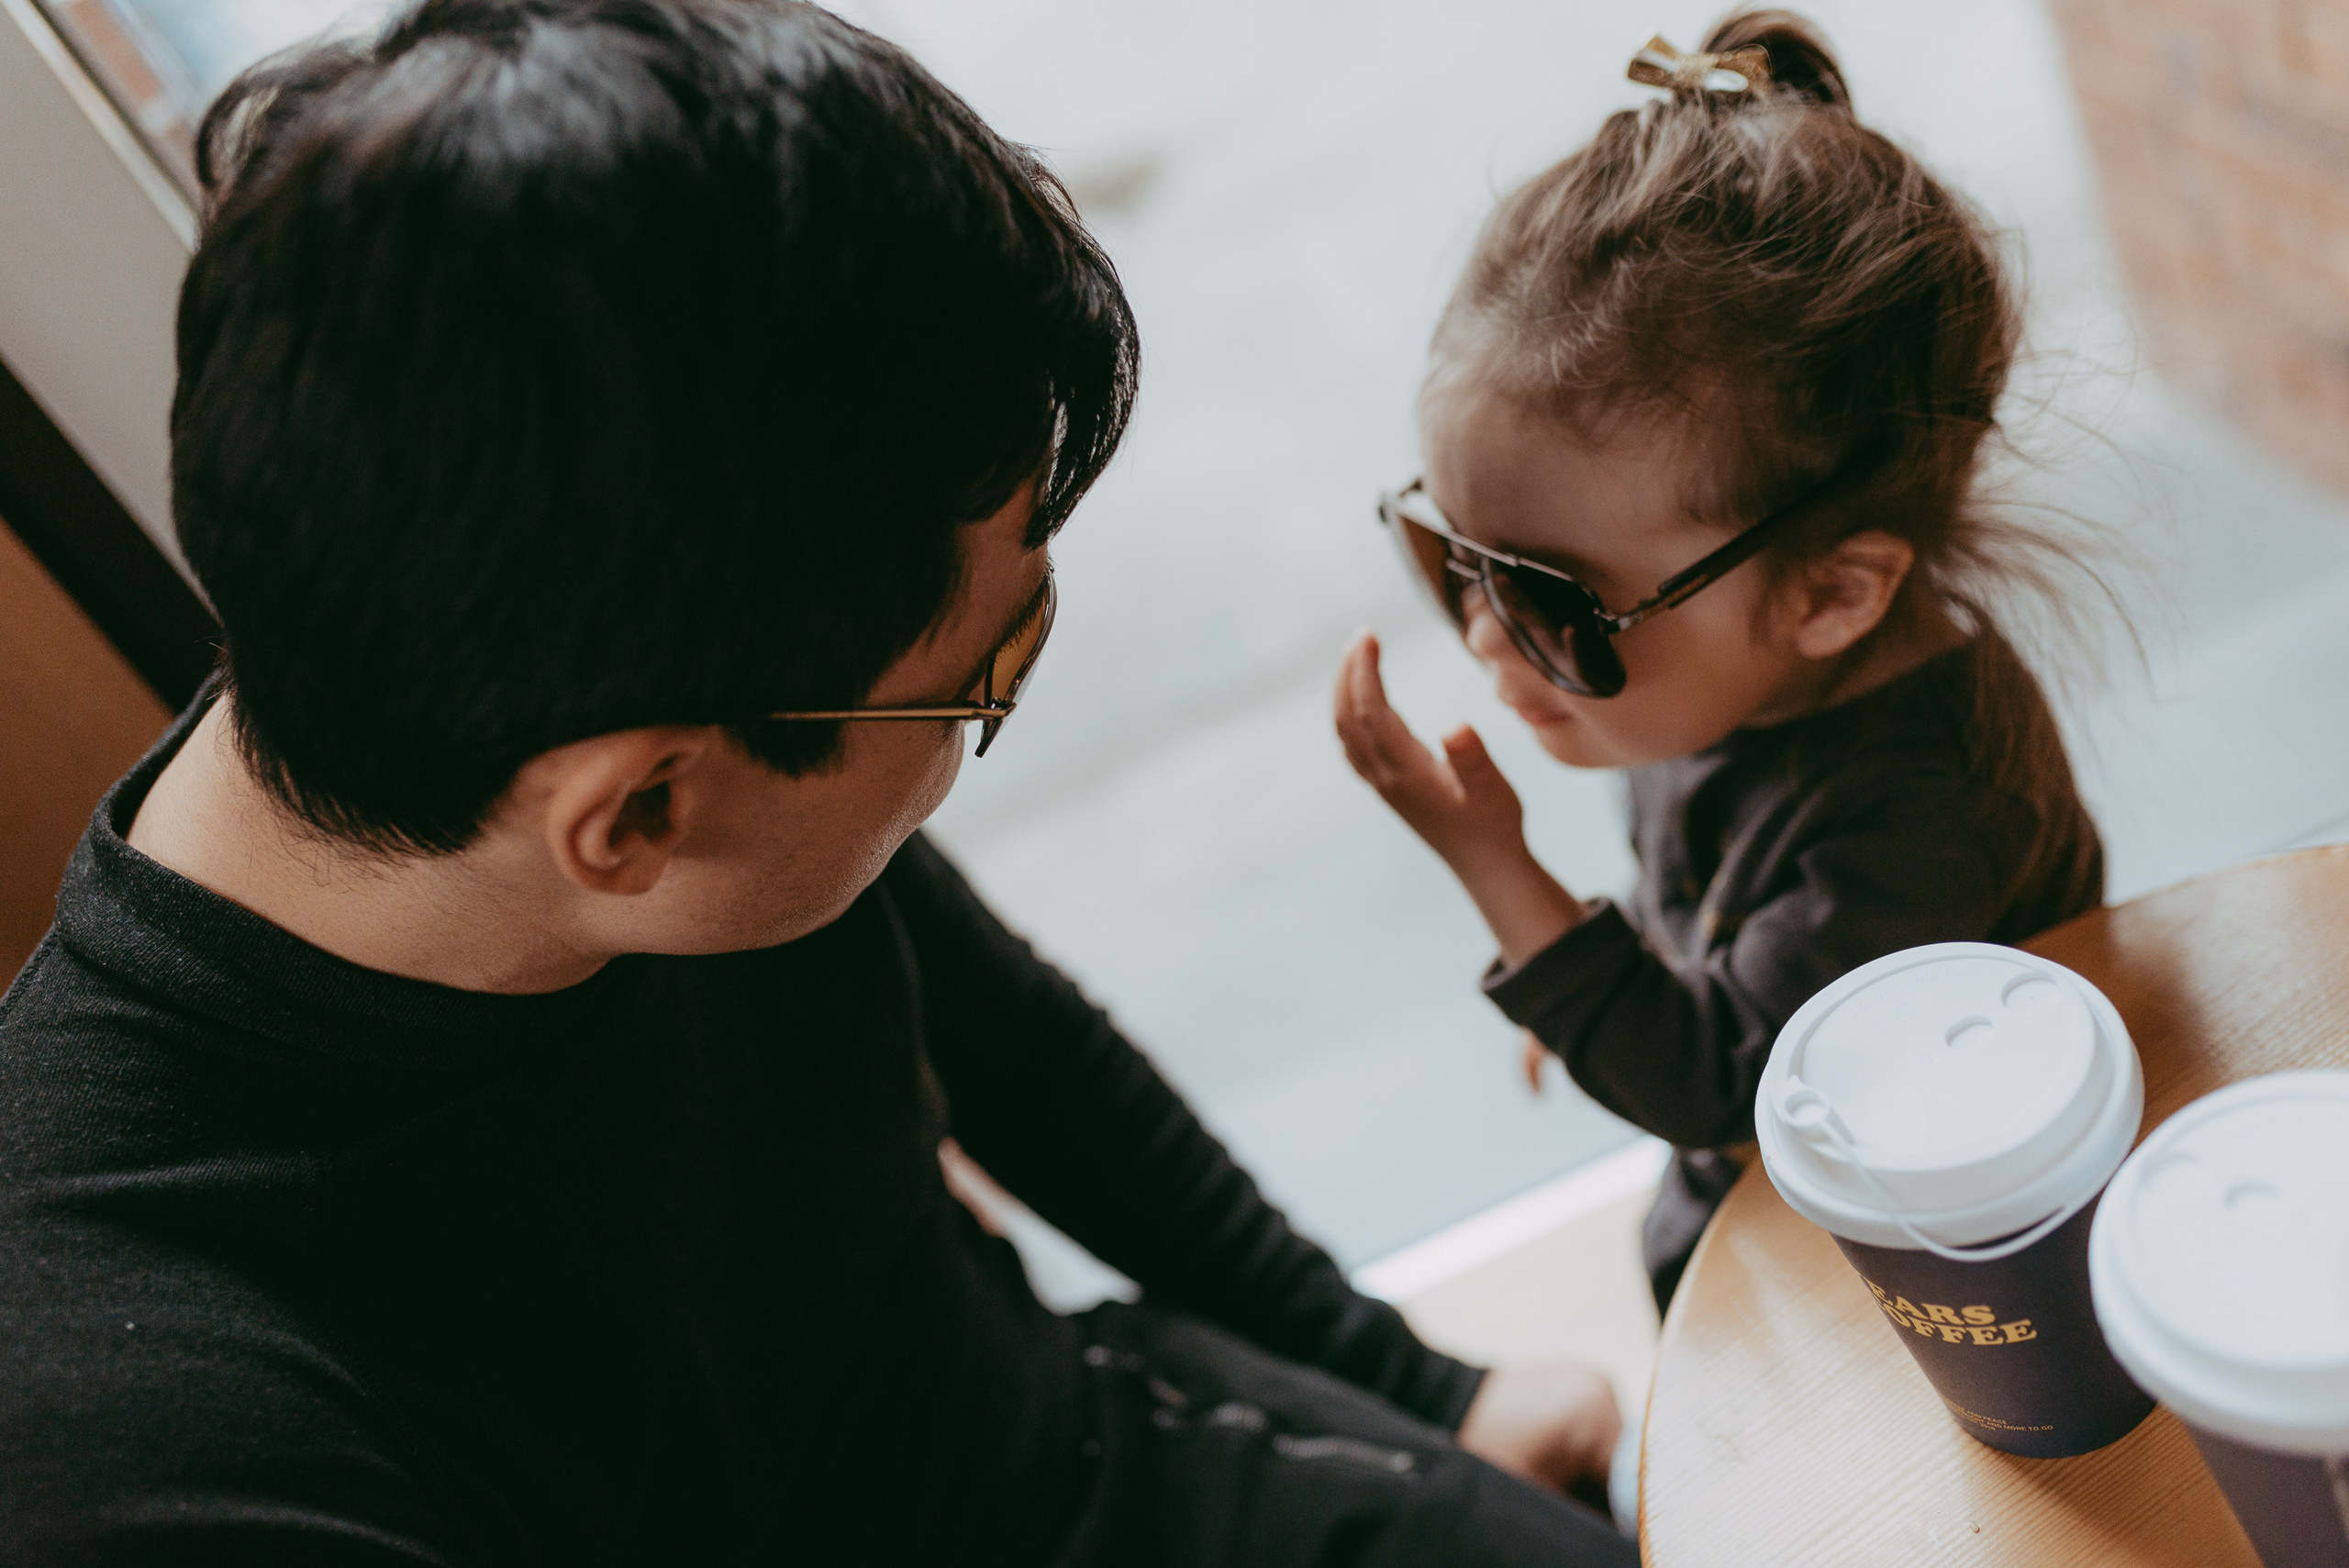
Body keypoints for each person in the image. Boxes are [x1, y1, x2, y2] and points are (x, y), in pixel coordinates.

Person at [0, 1, 1639, 1562]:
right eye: (981, 685)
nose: (979, 735)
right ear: (638, 816)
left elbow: (1006, 1041)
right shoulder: (158, 1439)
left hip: (1102, 1445)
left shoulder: (537, 649)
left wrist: (1427, 1391)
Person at [1334, 10, 2105, 1313]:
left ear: (1832, 595)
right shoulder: (1722, 683)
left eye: (1548, 599)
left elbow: (1732, 1086)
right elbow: (1711, 907)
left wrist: (1508, 884)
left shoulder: (1932, 809)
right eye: (1453, 558)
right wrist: (1624, 956)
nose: (1480, 635)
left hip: (1932, 1298)